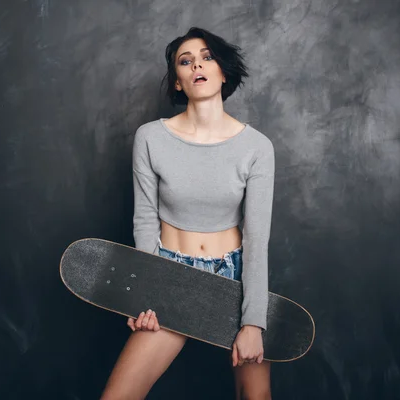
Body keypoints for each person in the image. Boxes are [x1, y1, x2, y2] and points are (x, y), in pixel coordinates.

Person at [100, 27, 275, 400]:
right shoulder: (150, 138)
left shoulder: (257, 148)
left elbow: (257, 240)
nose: (197, 64)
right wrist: (142, 294)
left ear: (223, 73)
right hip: (169, 276)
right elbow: (145, 220)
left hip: (233, 280)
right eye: (186, 60)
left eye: (207, 57)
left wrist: (253, 322)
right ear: (178, 82)